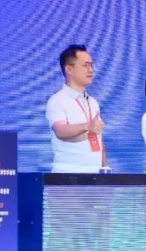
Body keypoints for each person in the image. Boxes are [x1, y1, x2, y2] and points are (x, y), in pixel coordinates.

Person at [45, 45, 106, 173]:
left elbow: (99, 140)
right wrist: (87, 126)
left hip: (95, 176)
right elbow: (60, 130)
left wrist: (104, 170)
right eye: (85, 65)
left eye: (91, 65)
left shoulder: (93, 102)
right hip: (68, 176)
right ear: (69, 69)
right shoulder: (57, 100)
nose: (91, 70)